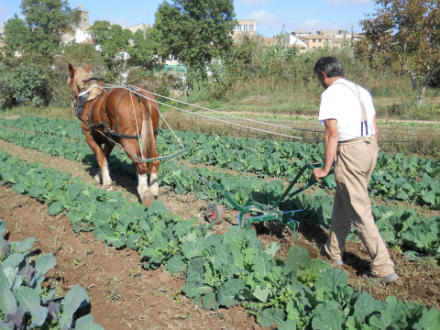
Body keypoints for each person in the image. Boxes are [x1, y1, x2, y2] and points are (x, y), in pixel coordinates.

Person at [312, 56, 398, 283]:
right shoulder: (361, 91)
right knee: (344, 201)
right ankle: (333, 251)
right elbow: (375, 128)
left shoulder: (330, 93)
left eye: (318, 78)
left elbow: (332, 133)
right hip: (370, 148)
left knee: (359, 210)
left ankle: (382, 267)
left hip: (351, 150)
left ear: (323, 75)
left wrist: (325, 168)